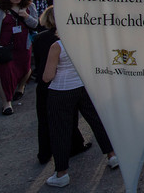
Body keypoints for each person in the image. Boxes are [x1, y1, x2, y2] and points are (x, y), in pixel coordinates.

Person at [43, 36, 118, 187]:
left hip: (62, 90)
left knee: (60, 130)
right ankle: (112, 155)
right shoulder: (85, 39)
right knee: (97, 121)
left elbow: (47, 77)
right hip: (83, 85)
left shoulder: (57, 46)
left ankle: (61, 173)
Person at [32, 6, 89, 165]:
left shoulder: (39, 38)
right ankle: (74, 146)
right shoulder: (69, 38)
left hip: (44, 84)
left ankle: (44, 153)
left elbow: (39, 61)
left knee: (44, 119)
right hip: (62, 83)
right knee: (68, 118)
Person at [0, 0, 39, 115]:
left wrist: (26, 16)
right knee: (5, 75)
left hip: (23, 45)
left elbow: (35, 24)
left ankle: (21, 86)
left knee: (25, 69)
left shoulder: (29, 7)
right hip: (5, 48)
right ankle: (7, 104)